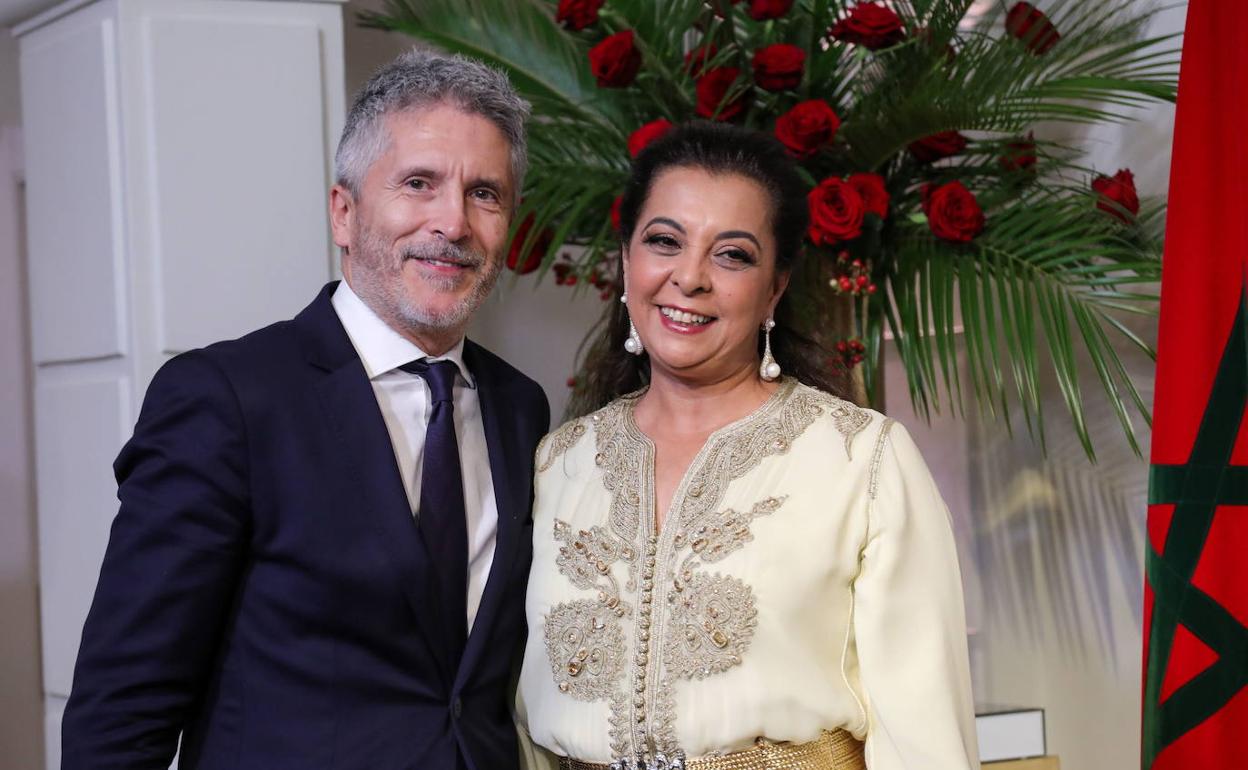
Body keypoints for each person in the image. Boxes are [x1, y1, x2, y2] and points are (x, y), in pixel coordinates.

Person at [61, 50, 549, 770]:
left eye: (485, 193)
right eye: (419, 183)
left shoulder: (519, 407)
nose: (453, 222)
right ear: (343, 213)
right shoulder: (226, 399)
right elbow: (122, 709)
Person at [516, 122, 978, 770]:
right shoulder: (558, 465)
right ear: (626, 260)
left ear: (775, 288)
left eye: (732, 255)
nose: (689, 277)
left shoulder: (860, 461)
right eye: (664, 241)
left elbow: (924, 740)